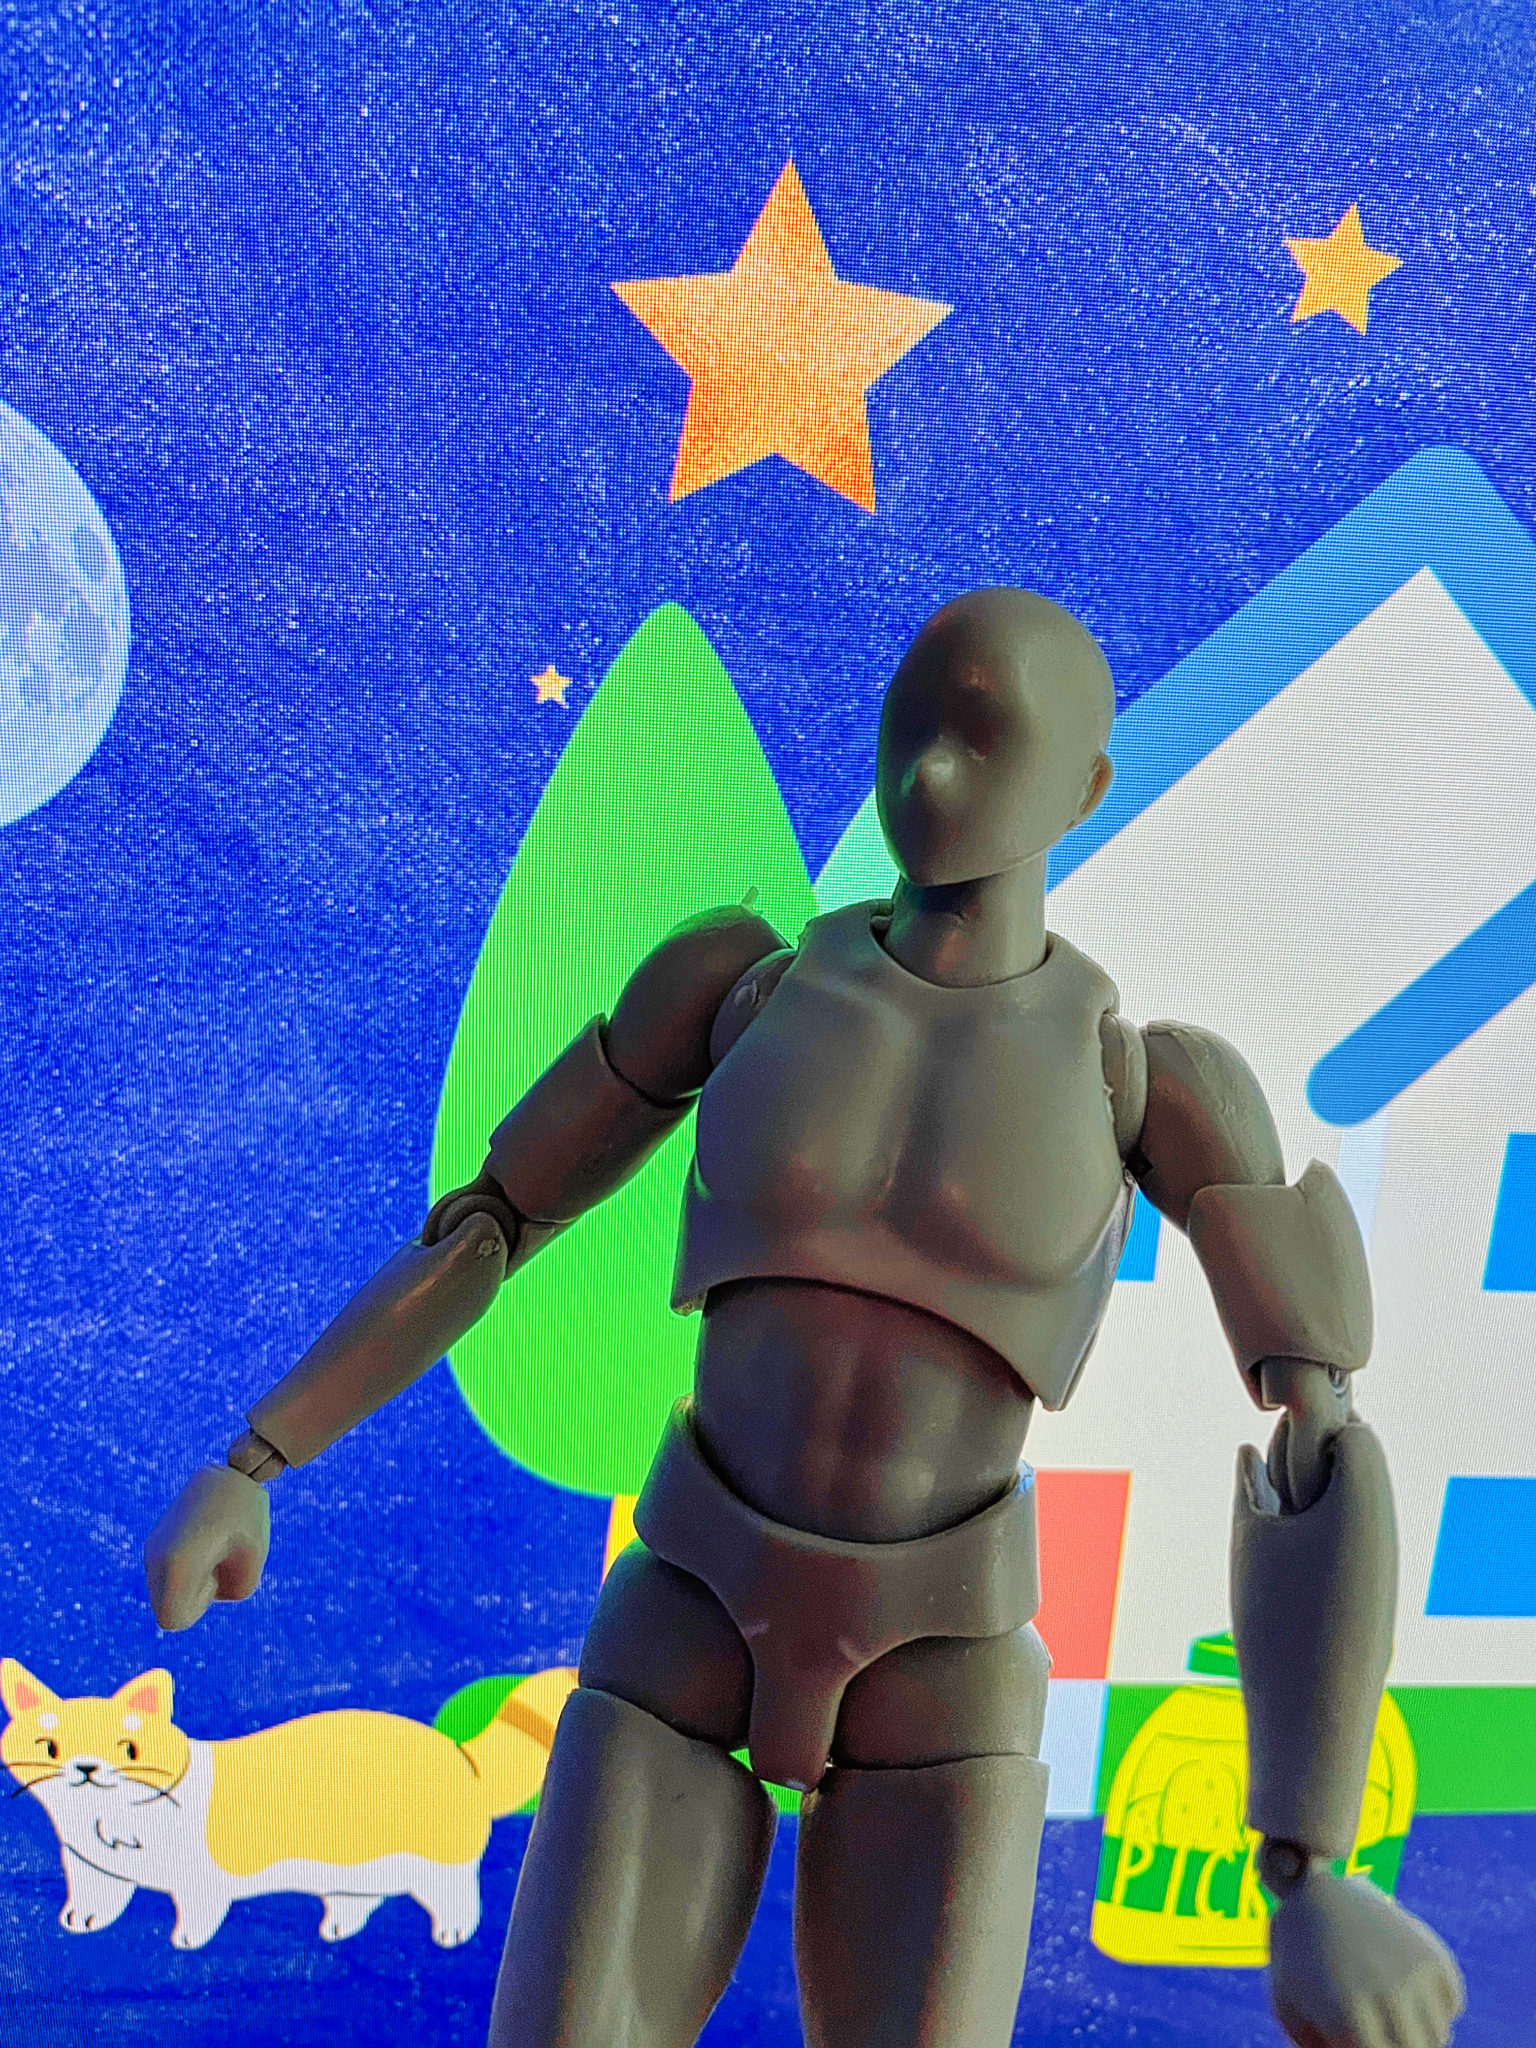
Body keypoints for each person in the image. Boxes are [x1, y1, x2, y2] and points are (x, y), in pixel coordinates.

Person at [147, 589, 1465, 2048]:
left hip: (940, 1668)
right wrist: (258, 1457)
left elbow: (1316, 1441)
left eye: (987, 739)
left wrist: (1311, 1862)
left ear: (1085, 787)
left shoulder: (1148, 1084)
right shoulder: (741, 989)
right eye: (912, 725)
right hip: (689, 1608)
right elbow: (491, 1223)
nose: (932, 775)